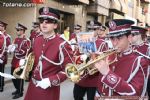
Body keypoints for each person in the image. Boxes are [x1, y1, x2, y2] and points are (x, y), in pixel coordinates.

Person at [24, 7, 73, 100]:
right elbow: (33, 59)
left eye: (49, 21)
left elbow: (70, 70)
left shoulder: (63, 44)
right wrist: (25, 64)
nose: (44, 23)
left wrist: (50, 81)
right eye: (41, 20)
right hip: (32, 86)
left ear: (55, 25)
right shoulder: (37, 39)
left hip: (49, 89)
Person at [94, 19, 149, 98]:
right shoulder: (107, 56)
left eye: (119, 38)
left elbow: (135, 93)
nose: (115, 43)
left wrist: (107, 74)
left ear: (129, 38)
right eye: (112, 38)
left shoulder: (140, 61)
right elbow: (100, 87)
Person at [73, 20, 108, 100]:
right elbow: (75, 56)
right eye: (89, 29)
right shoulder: (82, 39)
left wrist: (93, 55)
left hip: (94, 80)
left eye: (94, 30)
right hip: (81, 78)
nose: (91, 32)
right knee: (77, 96)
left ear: (98, 30)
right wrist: (81, 56)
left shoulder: (103, 43)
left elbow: (105, 61)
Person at [8, 23, 31, 99]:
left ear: (22, 31)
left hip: (20, 62)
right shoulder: (16, 39)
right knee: (13, 76)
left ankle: (20, 92)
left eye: (18, 30)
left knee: (19, 78)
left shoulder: (26, 40)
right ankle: (17, 89)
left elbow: (26, 51)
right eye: (17, 30)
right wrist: (10, 49)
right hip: (14, 61)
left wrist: (16, 49)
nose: (17, 31)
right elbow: (12, 49)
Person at [130, 26, 150, 99]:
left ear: (139, 35)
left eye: (133, 35)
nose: (130, 37)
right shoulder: (130, 47)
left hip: (146, 80)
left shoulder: (148, 48)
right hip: (131, 78)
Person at [0, 21, 11, 92]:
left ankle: (1, 86)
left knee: (1, 72)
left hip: (2, 57)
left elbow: (8, 48)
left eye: (1, 26)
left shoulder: (7, 36)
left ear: (4, 27)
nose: (0, 27)